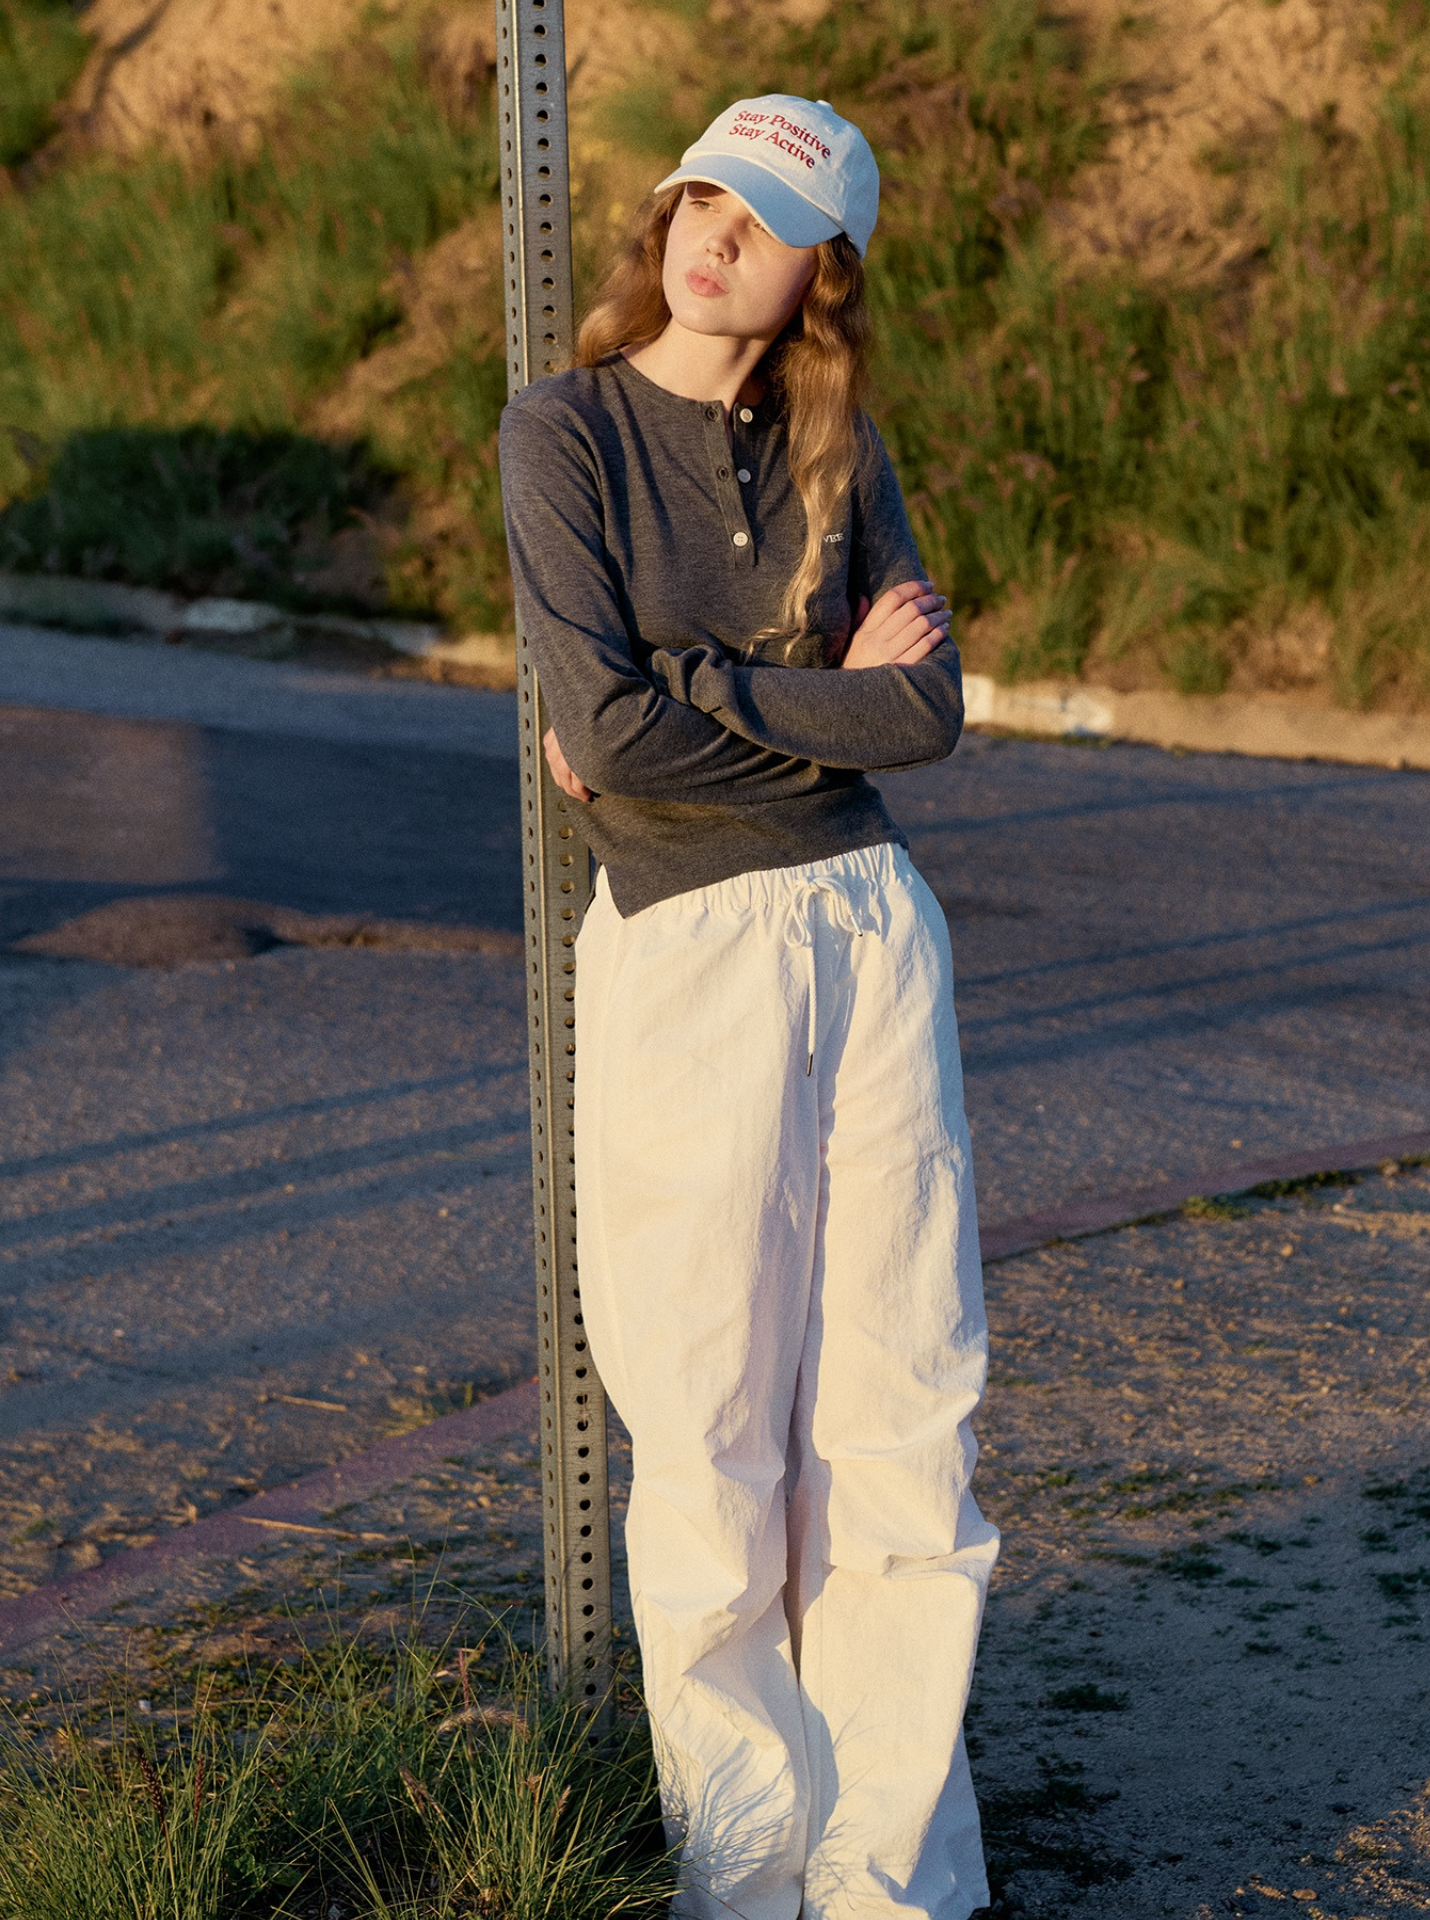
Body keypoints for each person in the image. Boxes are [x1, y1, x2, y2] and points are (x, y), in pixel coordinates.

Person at [499, 93, 999, 1920]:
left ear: (818, 276)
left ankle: (891, 1881)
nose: (720, 235)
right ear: (670, 213)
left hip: (869, 928)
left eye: (769, 222)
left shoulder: (836, 448)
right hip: (687, 943)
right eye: (707, 195)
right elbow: (604, 731)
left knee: (903, 1417)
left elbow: (925, 715)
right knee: (707, 1424)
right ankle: (746, 1875)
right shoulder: (562, 432)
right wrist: (800, 695)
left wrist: (692, 686)